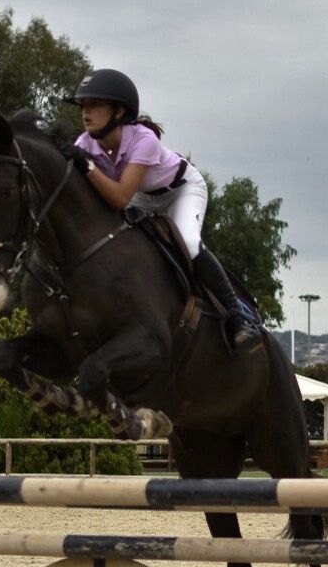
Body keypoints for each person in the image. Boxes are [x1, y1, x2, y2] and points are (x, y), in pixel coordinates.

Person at [61, 69, 262, 355]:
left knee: (190, 244)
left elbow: (118, 197)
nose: (86, 113)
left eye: (95, 105)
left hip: (181, 190)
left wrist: (87, 167)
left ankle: (238, 317)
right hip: (142, 196)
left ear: (119, 111)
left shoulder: (144, 140)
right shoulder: (85, 144)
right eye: (84, 106)